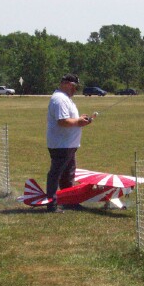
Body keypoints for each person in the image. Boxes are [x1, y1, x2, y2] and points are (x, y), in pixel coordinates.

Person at [46, 74, 92, 213]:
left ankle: (69, 201)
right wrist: (79, 122)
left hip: (69, 144)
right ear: (65, 84)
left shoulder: (66, 99)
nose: (74, 90)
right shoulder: (59, 99)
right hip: (61, 145)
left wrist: (80, 119)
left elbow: (69, 119)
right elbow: (63, 121)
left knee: (68, 175)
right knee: (56, 174)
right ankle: (51, 204)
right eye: (73, 86)